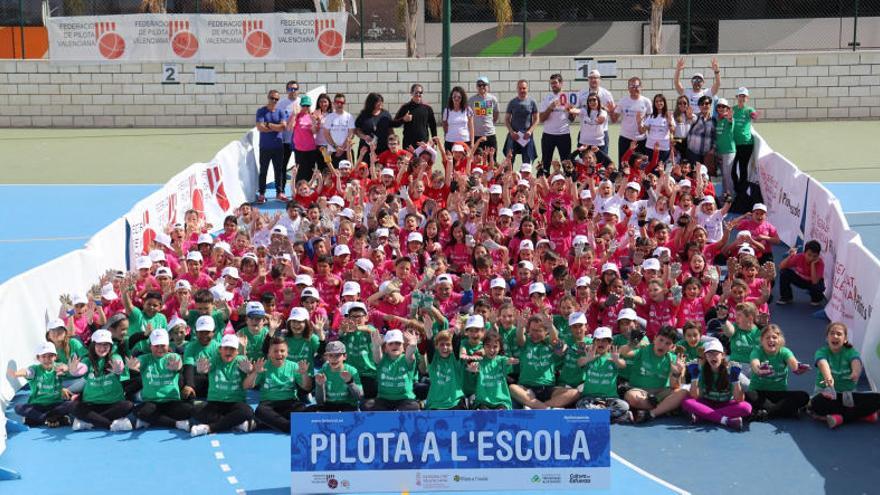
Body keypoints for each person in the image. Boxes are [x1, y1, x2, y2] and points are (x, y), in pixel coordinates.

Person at [810, 322, 880, 428]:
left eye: (839, 334)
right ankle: (862, 414)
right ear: (827, 338)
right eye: (832, 333)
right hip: (827, 397)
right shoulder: (821, 352)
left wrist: (855, 372)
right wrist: (828, 378)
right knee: (817, 403)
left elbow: (856, 361)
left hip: (847, 397)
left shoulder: (850, 352)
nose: (835, 336)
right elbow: (823, 364)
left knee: (877, 398)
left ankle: (841, 418)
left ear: (845, 339)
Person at [619, 325, 689, 423]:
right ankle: (665, 409)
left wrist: (677, 372)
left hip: (661, 393)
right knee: (632, 397)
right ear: (655, 338)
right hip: (640, 391)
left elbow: (675, 386)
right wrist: (632, 344)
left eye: (667, 343)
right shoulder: (644, 349)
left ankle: (651, 413)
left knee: (683, 393)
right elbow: (623, 352)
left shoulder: (674, 360)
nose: (663, 345)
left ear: (672, 347)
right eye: (661, 340)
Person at [190, 333, 256, 436]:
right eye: (226, 348)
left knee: (247, 412)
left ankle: (210, 428)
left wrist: (250, 371)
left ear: (237, 352)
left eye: (232, 349)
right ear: (220, 349)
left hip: (235, 402)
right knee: (194, 410)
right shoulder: (214, 360)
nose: (228, 352)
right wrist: (201, 369)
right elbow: (205, 368)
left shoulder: (241, 361)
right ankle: (235, 423)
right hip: (216, 403)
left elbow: (249, 369)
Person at [126, 329, 192, 431]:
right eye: (156, 346)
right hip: (152, 402)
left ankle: (151, 420)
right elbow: (138, 363)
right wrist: (133, 366)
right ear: (150, 346)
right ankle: (175, 424)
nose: (160, 349)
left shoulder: (173, 356)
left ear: (168, 345)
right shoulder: (145, 358)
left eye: (163, 345)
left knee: (190, 410)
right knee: (139, 411)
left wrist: (178, 367)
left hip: (171, 401)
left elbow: (178, 364)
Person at [70, 329, 135, 431]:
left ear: (110, 346)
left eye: (106, 345)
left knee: (128, 405)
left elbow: (119, 364)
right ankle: (110, 424)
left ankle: (90, 421)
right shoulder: (87, 360)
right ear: (93, 346)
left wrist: (118, 369)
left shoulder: (115, 356)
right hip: (91, 404)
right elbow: (82, 368)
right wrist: (75, 370)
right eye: (99, 345)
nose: (102, 348)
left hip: (113, 403)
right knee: (73, 407)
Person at [245, 336, 312, 433]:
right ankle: (290, 427)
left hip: (289, 403)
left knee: (304, 409)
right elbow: (248, 386)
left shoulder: (294, 366)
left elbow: (307, 387)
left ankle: (264, 424)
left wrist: (304, 374)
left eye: (282, 351)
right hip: (269, 404)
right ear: (269, 352)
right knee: (260, 411)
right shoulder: (263, 366)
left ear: (287, 352)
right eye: (275, 351)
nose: (279, 354)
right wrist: (255, 372)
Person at [681, 338, 751, 430]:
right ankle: (726, 420)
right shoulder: (702, 371)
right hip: (707, 403)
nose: (712, 356)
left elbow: (739, 399)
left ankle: (702, 415)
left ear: (723, 355)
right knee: (686, 402)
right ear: (706, 356)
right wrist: (694, 378)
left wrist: (736, 380)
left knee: (746, 407)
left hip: (726, 404)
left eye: (716, 353)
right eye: (709, 354)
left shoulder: (732, 370)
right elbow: (696, 396)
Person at [746, 324, 811, 421]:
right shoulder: (757, 351)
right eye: (767, 337)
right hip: (759, 393)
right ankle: (786, 411)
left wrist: (797, 368)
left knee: (804, 396)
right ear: (762, 340)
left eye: (774, 337)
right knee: (748, 395)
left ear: (780, 340)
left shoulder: (785, 352)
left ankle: (765, 413)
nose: (771, 340)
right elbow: (755, 364)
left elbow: (793, 363)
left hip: (780, 394)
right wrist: (759, 370)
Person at [8, 342, 76, 428]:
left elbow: (65, 367)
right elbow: (26, 372)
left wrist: (66, 368)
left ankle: (38, 419)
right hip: (37, 405)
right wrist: (16, 373)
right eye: (43, 356)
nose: (47, 359)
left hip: (55, 404)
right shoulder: (35, 369)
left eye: (50, 356)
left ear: (55, 357)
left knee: (71, 404)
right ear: (38, 358)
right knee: (18, 408)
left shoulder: (58, 367)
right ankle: (51, 419)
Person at [576, 326, 631, 423]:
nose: (601, 343)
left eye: (605, 341)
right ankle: (612, 416)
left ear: (610, 344)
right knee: (580, 405)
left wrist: (616, 360)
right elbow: (579, 362)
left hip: (610, 399)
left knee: (624, 406)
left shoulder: (613, 358)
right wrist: (588, 359)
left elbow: (623, 365)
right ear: (594, 342)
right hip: (590, 398)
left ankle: (598, 415)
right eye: (598, 340)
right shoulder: (589, 357)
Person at [362, 329, 421, 411]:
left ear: (403, 347)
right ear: (385, 348)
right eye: (390, 343)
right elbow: (376, 354)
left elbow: (410, 354)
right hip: (383, 399)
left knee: (413, 406)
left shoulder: (406, 359)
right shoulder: (382, 360)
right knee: (368, 405)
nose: (394, 346)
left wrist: (413, 346)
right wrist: (376, 346)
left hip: (405, 399)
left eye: (398, 343)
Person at [255, 89, 288, 204]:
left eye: (276, 99)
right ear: (268, 98)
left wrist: (268, 125)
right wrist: (276, 127)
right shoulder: (261, 111)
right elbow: (260, 127)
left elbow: (283, 127)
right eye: (272, 98)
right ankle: (262, 194)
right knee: (263, 171)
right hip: (265, 147)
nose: (274, 100)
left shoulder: (281, 112)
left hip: (278, 146)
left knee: (278, 170)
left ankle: (279, 193)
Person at [538, 73, 574, 175]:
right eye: (552, 83)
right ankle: (546, 185)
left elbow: (571, 119)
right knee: (546, 162)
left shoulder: (568, 98)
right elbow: (541, 118)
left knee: (566, 162)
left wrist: (571, 111)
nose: (553, 85)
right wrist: (550, 108)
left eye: (555, 83)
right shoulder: (547, 99)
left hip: (564, 134)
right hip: (548, 135)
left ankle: (568, 183)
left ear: (561, 83)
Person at [313, 340, 363, 411]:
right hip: (330, 405)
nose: (334, 359)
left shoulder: (352, 371)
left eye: (337, 355)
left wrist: (350, 382)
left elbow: (359, 397)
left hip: (348, 405)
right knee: (310, 410)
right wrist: (320, 386)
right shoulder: (322, 372)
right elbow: (320, 402)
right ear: (326, 357)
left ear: (345, 356)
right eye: (330, 355)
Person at [612, 76, 652, 164]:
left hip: (641, 140)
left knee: (641, 167)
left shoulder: (646, 101)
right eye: (632, 86)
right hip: (625, 139)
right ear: (628, 88)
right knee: (624, 166)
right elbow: (614, 119)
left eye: (637, 86)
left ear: (641, 87)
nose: (634, 89)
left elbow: (650, 119)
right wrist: (610, 110)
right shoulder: (623, 101)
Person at [578, 69, 615, 155]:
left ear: (600, 79)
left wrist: (603, 108)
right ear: (588, 80)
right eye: (591, 78)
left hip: (601, 133)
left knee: (602, 159)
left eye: (595, 78)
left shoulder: (607, 94)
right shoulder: (581, 93)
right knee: (583, 159)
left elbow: (612, 114)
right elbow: (577, 110)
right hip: (585, 132)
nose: (593, 80)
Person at [778, 241, 825, 306]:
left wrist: (813, 265)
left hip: (812, 283)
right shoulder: (799, 257)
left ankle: (816, 298)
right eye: (809, 255)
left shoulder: (820, 263)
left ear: (818, 256)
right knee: (784, 272)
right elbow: (781, 266)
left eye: (815, 256)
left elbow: (814, 282)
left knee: (818, 287)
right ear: (804, 253)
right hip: (801, 279)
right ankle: (786, 297)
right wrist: (790, 256)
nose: (811, 258)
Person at [503, 79, 539, 166]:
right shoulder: (512, 102)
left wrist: (530, 131)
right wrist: (512, 132)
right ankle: (509, 178)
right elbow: (507, 119)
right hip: (514, 136)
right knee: (509, 160)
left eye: (524, 88)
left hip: (526, 136)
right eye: (520, 88)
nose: (522, 90)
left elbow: (537, 119)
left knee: (526, 162)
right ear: (517, 89)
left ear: (527, 89)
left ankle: (525, 179)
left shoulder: (532, 102)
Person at [732, 87, 759, 200]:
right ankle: (737, 188)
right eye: (740, 96)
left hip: (746, 144)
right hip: (733, 144)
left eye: (744, 96)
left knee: (743, 168)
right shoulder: (732, 109)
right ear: (737, 97)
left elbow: (754, 115)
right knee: (732, 169)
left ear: (747, 98)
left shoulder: (749, 110)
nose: (742, 98)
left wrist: (755, 116)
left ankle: (742, 192)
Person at [393, 83, 438, 149]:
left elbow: (433, 126)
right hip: (408, 145)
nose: (418, 94)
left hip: (423, 145)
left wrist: (434, 142)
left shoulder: (428, 108)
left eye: (420, 92)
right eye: (416, 92)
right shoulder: (405, 107)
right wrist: (403, 119)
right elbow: (394, 123)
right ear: (411, 93)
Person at [469, 76, 500, 161]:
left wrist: (491, 124)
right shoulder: (471, 100)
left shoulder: (493, 99)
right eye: (479, 85)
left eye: (484, 85)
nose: (482, 87)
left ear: (488, 86)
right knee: (477, 161)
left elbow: (496, 113)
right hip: (477, 136)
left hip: (490, 135)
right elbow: (468, 117)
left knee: (492, 159)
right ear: (476, 87)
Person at [355, 92, 394, 159]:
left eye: (381, 101)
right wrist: (364, 136)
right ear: (371, 103)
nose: (380, 103)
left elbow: (390, 130)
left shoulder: (386, 114)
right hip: (366, 149)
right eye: (378, 102)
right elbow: (357, 130)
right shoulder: (363, 115)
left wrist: (392, 142)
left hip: (383, 148)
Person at [292, 95, 319, 184]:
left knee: (310, 171)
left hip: (311, 148)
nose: (305, 107)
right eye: (304, 105)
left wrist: (314, 122)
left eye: (307, 106)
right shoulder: (297, 116)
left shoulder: (312, 116)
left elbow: (314, 132)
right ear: (300, 105)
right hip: (299, 149)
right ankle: (298, 191)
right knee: (299, 172)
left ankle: (308, 191)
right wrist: (294, 115)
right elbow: (290, 128)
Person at [323, 92, 356, 167]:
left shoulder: (349, 116)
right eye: (337, 102)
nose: (339, 104)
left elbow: (351, 133)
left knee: (348, 175)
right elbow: (326, 134)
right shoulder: (329, 117)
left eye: (342, 102)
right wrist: (336, 147)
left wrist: (342, 148)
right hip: (333, 151)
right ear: (334, 103)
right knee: (334, 175)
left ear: (344, 103)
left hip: (346, 152)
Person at [640, 93, 674, 163]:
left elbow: (673, 130)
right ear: (654, 103)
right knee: (650, 168)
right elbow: (642, 131)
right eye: (656, 101)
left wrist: (670, 121)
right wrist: (639, 122)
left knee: (661, 168)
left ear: (664, 102)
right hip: (650, 146)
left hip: (663, 147)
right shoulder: (651, 116)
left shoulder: (668, 115)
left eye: (661, 101)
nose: (659, 103)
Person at [686, 95, 716, 172]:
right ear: (699, 106)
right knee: (694, 174)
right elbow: (691, 119)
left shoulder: (714, 120)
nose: (704, 106)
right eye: (701, 104)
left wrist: (713, 149)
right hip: (693, 153)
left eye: (706, 103)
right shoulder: (696, 117)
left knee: (705, 176)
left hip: (706, 155)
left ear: (710, 105)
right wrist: (689, 116)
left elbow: (715, 137)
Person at [714, 98, 736, 197]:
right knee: (723, 175)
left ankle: (731, 196)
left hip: (729, 151)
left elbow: (731, 121)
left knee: (728, 175)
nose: (721, 108)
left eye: (723, 106)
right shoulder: (717, 120)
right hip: (720, 152)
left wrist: (730, 117)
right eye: (719, 106)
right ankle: (725, 194)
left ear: (727, 108)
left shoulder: (728, 119)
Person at [442, 86, 475, 151]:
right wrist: (447, 135)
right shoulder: (447, 110)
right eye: (454, 97)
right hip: (450, 141)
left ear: (462, 98)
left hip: (465, 141)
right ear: (451, 98)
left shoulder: (468, 109)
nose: (456, 99)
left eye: (459, 97)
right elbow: (444, 125)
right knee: (451, 161)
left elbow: (471, 127)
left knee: (466, 161)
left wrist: (472, 143)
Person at [278, 80, 300, 169]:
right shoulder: (281, 104)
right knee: (282, 166)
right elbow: (278, 120)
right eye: (290, 89)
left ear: (298, 90)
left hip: (299, 141)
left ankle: (299, 183)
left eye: (295, 89)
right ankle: (281, 183)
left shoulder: (302, 103)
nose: (293, 91)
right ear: (287, 90)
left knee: (300, 166)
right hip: (285, 141)